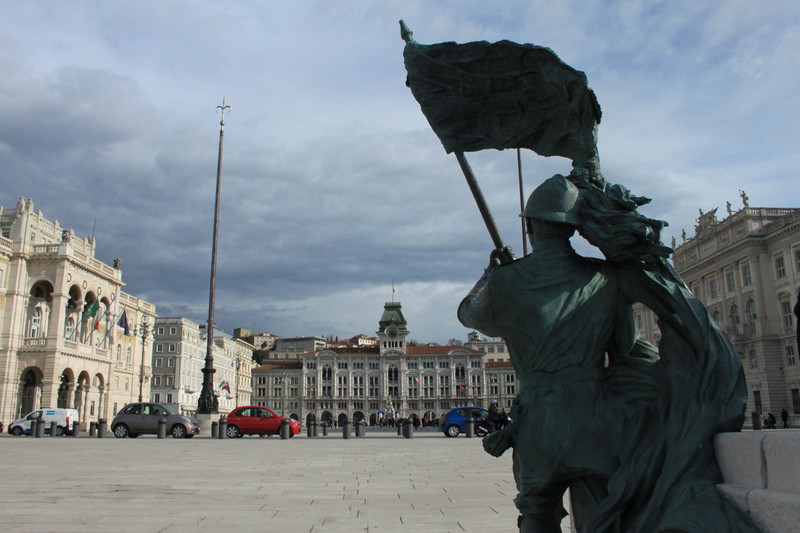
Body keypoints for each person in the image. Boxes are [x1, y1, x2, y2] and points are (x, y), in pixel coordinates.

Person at [459, 172, 754, 533]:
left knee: (536, 511)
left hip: (538, 421)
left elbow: (469, 314)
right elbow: (628, 350)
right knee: (606, 510)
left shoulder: (506, 281)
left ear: (530, 226)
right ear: (571, 228)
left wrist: (492, 273)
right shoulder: (607, 277)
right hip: (600, 416)